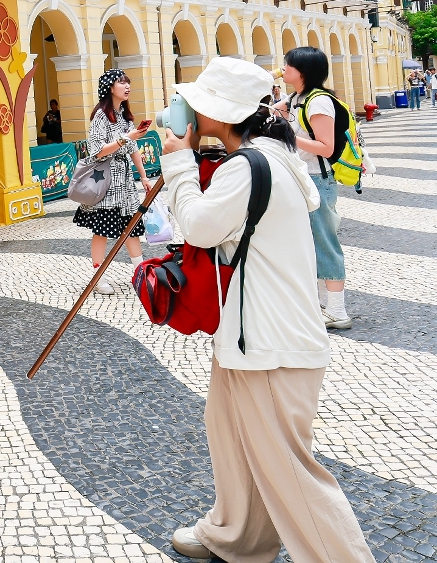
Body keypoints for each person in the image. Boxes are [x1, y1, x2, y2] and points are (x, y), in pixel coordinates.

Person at [160, 57, 373, 563]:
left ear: (218, 113)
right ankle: (239, 535)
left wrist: (179, 163)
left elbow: (198, 227)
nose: (186, 108)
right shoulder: (270, 154)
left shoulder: (248, 166)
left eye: (196, 102)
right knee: (230, 432)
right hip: (253, 331)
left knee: (290, 469)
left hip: (267, 340)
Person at [282, 47, 352, 329]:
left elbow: (326, 147)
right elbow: (264, 110)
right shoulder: (295, 98)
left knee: (325, 242)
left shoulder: (319, 101)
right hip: (302, 178)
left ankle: (338, 310)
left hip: (318, 180)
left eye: (287, 65)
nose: (282, 69)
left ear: (303, 71)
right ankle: (323, 305)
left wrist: (287, 136)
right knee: (310, 243)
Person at [72, 69, 151, 294]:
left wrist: (144, 176)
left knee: (131, 228)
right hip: (106, 181)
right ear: (109, 87)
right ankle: (99, 277)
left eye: (127, 82)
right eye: (121, 82)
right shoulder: (100, 116)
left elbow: (133, 149)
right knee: (102, 230)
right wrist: (126, 138)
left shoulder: (125, 115)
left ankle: (140, 273)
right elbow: (97, 151)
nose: (127, 86)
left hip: (125, 183)